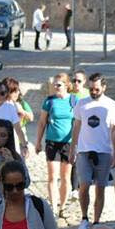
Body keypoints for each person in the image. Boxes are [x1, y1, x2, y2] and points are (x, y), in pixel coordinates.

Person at [69, 73, 115, 229]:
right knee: (83, 186)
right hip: (84, 151)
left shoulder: (111, 104)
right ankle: (84, 218)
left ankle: (96, 221)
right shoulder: (81, 103)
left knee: (101, 188)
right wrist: (72, 148)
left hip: (103, 151)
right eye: (91, 88)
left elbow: (114, 129)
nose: (93, 91)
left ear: (104, 88)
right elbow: (76, 126)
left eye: (97, 89)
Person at [35, 73, 78, 217]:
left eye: (58, 84)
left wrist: (78, 144)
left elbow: (78, 123)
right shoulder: (49, 101)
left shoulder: (74, 100)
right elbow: (41, 123)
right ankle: (53, 207)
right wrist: (38, 142)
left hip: (68, 143)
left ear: (66, 85)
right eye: (54, 84)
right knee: (52, 176)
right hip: (52, 142)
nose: (55, 86)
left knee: (66, 177)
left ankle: (63, 207)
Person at [67, 69, 87, 201]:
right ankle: (74, 188)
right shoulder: (69, 95)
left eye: (79, 81)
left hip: (84, 132)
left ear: (84, 82)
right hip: (70, 132)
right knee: (73, 160)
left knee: (82, 159)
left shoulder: (86, 95)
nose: (76, 83)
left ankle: (82, 186)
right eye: (73, 80)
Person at [5, 77, 34, 143]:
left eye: (18, 90)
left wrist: (22, 111)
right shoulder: (1, 104)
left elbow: (31, 118)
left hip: (21, 140)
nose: (17, 93)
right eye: (14, 91)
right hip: (6, 141)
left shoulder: (22, 103)